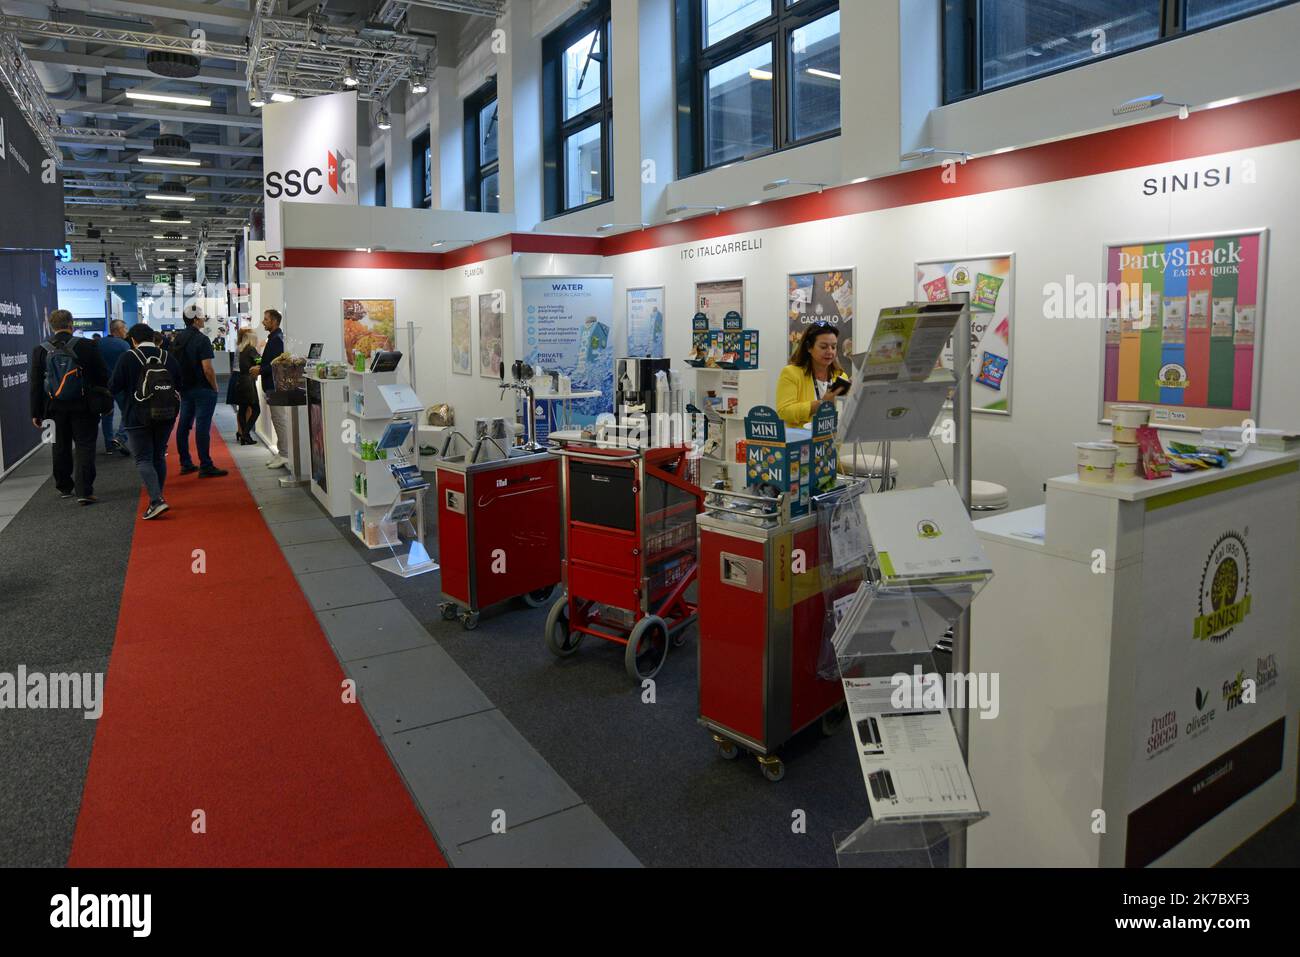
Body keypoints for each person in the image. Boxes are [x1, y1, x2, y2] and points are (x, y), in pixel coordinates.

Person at [29, 309, 111, 504]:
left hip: (52, 408)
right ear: (71, 324)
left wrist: (35, 412)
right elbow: (102, 375)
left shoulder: (39, 350)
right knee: (85, 446)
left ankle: (64, 487)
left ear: (51, 326)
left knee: (58, 446)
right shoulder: (87, 346)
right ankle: (84, 491)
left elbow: (35, 384)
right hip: (84, 407)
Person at [109, 323, 182, 519]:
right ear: (153, 337)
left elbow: (114, 386)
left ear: (133, 340)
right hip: (166, 414)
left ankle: (156, 500)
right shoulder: (168, 357)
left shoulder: (127, 358)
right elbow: (179, 384)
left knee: (143, 458)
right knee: (159, 456)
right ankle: (158, 495)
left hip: (136, 415)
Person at [172, 311, 228, 478]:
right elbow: (207, 368)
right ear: (195, 319)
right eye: (202, 316)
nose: (204, 319)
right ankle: (205, 465)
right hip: (202, 388)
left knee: (184, 425)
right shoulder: (202, 339)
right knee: (203, 427)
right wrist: (215, 386)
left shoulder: (178, 338)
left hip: (185, 387)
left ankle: (186, 463)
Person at [776, 321, 850, 429]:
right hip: (801, 441)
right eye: (824, 347)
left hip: (831, 441)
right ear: (809, 347)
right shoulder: (791, 373)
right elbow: (784, 412)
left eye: (833, 347)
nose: (830, 351)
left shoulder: (841, 376)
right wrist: (821, 404)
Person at [259, 309, 289, 469]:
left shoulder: (277, 339)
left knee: (279, 419)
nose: (264, 322)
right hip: (271, 385)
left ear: (275, 322)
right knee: (277, 420)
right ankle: (282, 451)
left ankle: (285, 454)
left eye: (266, 319)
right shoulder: (273, 338)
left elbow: (276, 364)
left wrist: (260, 370)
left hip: (275, 385)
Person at [97, 319, 131, 455]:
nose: (126, 331)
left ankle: (109, 445)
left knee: (107, 414)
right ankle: (120, 437)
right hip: (120, 385)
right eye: (124, 329)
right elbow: (127, 366)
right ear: (117, 330)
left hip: (103, 385)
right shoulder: (124, 345)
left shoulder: (99, 344)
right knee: (127, 412)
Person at [233, 327, 261, 445]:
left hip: (240, 381)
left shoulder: (242, 349)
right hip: (249, 383)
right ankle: (245, 434)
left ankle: (245, 435)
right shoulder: (251, 349)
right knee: (256, 409)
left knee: (242, 409)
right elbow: (260, 361)